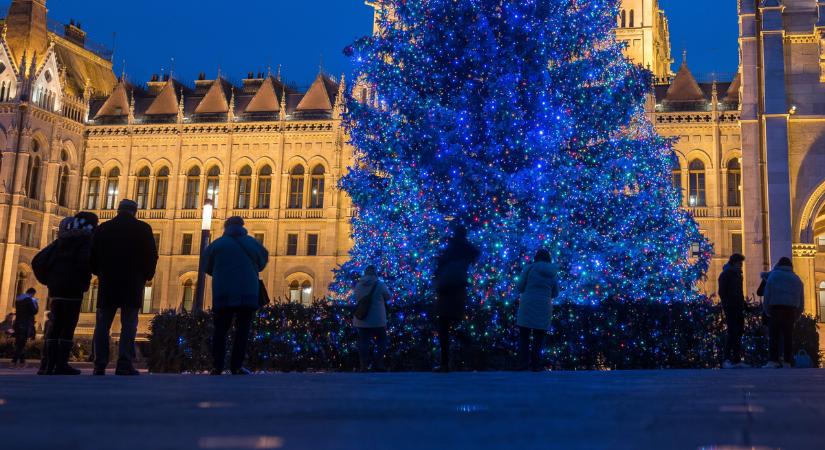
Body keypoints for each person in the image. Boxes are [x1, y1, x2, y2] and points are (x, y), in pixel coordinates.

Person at [91, 200, 158, 376]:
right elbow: (152, 255)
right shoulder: (143, 229)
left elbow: (93, 254)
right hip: (132, 283)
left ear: (118, 210)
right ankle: (124, 363)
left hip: (108, 282)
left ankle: (100, 364)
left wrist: (99, 272)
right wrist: (146, 276)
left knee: (102, 325)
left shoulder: (104, 229)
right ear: (135, 211)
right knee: (129, 325)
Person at [33, 213, 98, 375]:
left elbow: (38, 260)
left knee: (55, 325)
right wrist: (85, 278)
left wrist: (48, 280)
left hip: (56, 290)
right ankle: (61, 364)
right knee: (68, 325)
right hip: (73, 289)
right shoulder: (84, 242)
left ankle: (47, 364)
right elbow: (87, 263)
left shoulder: (60, 241)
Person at [203, 216, 268, 375]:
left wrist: (220, 272)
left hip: (223, 292)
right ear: (242, 226)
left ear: (226, 227)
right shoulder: (252, 243)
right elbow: (262, 261)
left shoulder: (217, 244)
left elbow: (206, 265)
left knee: (220, 330)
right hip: (247, 293)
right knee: (242, 331)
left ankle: (217, 366)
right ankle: (236, 366)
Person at [433, 225, 480, 372]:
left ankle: (445, 363)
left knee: (444, 327)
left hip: (445, 291)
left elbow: (439, 269)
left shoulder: (449, 250)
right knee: (455, 323)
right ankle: (469, 353)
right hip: (459, 290)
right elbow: (476, 252)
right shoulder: (466, 252)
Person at [515, 249, 560, 372]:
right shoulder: (552, 273)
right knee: (539, 337)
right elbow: (555, 292)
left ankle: (523, 363)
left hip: (527, 305)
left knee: (524, 336)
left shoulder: (529, 269)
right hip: (544, 307)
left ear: (536, 257)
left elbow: (519, 286)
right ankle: (536, 364)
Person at [762, 257, 804, 368]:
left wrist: (767, 310)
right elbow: (801, 298)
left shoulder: (773, 276)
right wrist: (798, 313)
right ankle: (787, 361)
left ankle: (773, 360)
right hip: (791, 310)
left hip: (776, 309)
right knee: (788, 337)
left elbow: (767, 295)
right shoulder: (796, 278)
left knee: (774, 336)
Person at [352, 266, 391, 372]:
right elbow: (388, 297)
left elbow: (355, 298)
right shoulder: (380, 284)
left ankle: (363, 366)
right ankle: (379, 363)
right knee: (381, 341)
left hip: (362, 319)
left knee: (364, 342)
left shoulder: (359, 285)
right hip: (378, 319)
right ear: (375, 274)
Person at [718, 253, 749, 369]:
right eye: (739, 263)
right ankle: (726, 359)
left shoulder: (737, 275)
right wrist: (727, 304)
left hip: (738, 307)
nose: (741, 266)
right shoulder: (726, 275)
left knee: (738, 332)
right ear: (734, 263)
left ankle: (736, 359)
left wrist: (744, 304)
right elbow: (722, 292)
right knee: (732, 332)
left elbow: (739, 293)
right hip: (731, 307)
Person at [11, 288, 39, 367]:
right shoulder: (29, 300)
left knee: (19, 343)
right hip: (25, 324)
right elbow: (34, 311)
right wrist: (35, 303)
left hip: (18, 323)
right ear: (32, 293)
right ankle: (14, 361)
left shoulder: (18, 299)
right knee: (21, 343)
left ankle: (22, 361)